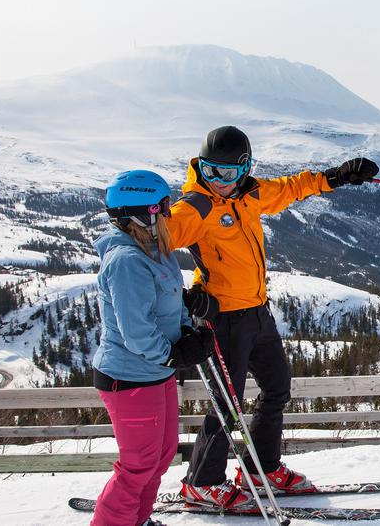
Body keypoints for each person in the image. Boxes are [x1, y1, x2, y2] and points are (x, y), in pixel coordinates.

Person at [166, 126, 379, 510]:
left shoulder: (250, 194)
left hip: (257, 313)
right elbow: (150, 245)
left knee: (277, 388)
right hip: (223, 319)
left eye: (229, 174)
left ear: (245, 168)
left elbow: (291, 187)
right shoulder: (195, 207)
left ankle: (261, 468)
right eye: (212, 172)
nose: (221, 182)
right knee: (227, 404)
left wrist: (337, 177)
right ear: (201, 169)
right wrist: (183, 298)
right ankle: (201, 483)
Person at [91, 169, 219, 526]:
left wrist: (188, 327)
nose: (168, 212)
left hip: (157, 372)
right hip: (129, 377)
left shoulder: (156, 250)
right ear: (140, 212)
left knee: (161, 457)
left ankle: (138, 520)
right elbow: (136, 331)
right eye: (161, 206)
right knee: (138, 465)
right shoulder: (127, 262)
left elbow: (167, 304)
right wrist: (174, 354)